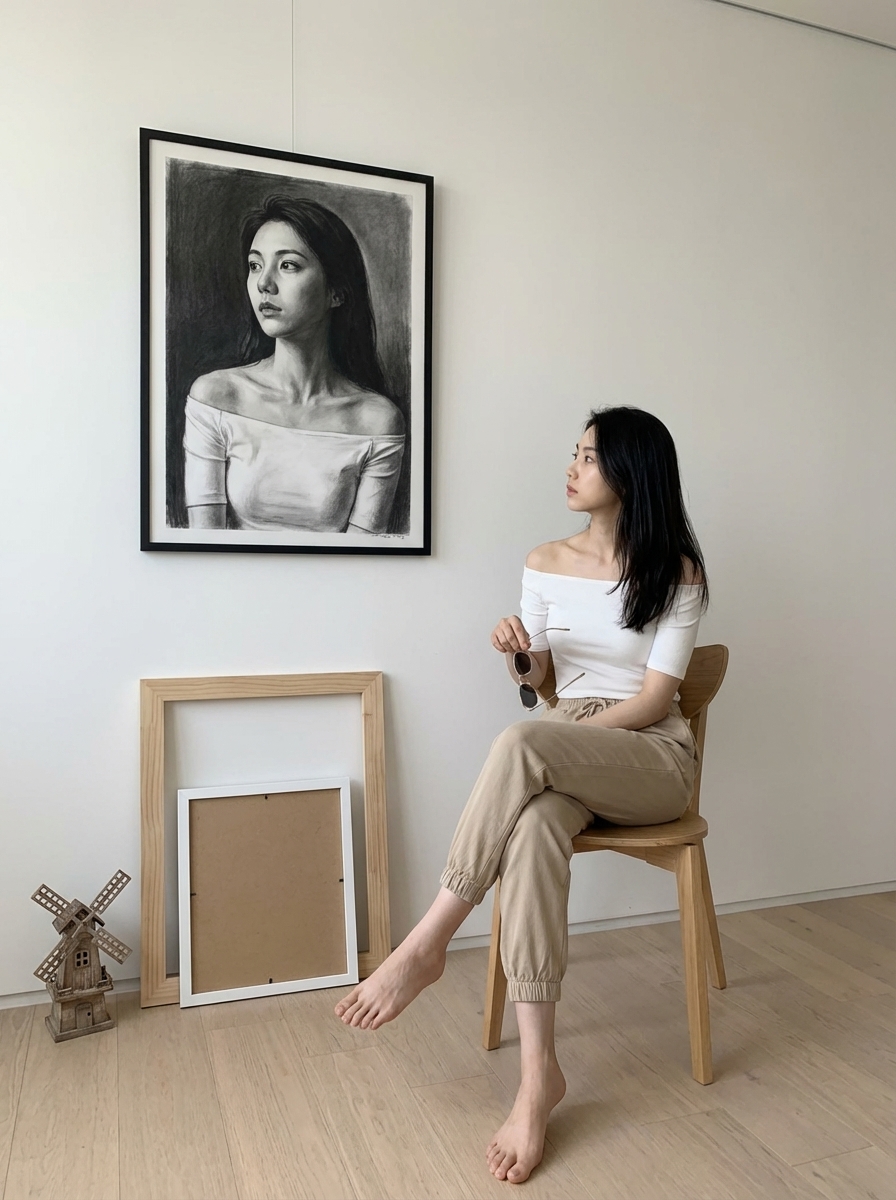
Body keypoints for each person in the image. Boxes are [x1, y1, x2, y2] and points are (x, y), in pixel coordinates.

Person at [334, 406, 709, 1183]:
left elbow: (651, 701)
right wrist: (521, 659)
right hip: (563, 741)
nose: (571, 467)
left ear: (633, 473)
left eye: (589, 456)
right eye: (572, 453)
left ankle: (428, 941)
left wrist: (560, 727)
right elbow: (541, 693)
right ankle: (540, 1078)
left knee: (522, 748)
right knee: (535, 824)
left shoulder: (676, 572)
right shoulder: (544, 559)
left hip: (650, 759)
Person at [183, 195, 405, 533]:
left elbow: (364, 563)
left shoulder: (376, 420)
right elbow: (202, 547)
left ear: (337, 292)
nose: (263, 283)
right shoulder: (216, 396)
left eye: (288, 265)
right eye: (255, 265)